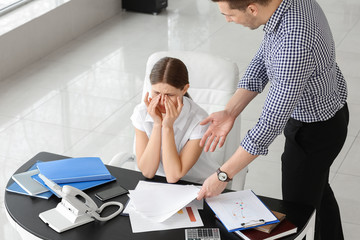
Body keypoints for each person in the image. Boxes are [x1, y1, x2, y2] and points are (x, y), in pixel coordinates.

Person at [196, 0, 348, 239]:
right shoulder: (284, 6)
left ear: (252, 9)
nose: (227, 20)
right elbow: (263, 58)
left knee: (298, 216)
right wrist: (230, 112)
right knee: (318, 191)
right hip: (327, 113)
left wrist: (223, 175)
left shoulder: (294, 41)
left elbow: (269, 125)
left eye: (229, 15)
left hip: (315, 132)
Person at [131, 57, 219, 184]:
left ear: (184, 89)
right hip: (157, 181)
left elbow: (173, 176)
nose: (162, 101)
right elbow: (147, 172)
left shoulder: (199, 120)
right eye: (156, 93)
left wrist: (167, 127)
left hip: (196, 183)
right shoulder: (141, 112)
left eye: (169, 95)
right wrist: (157, 124)